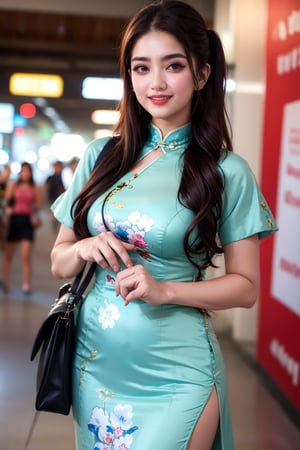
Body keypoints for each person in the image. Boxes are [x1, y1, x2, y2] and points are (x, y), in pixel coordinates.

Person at [50, 2, 278, 449]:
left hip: (178, 371)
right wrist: (84, 248)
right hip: (95, 365)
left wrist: (166, 290)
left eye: (173, 66)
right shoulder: (101, 157)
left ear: (201, 75)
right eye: (141, 67)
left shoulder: (226, 171)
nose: (155, 83)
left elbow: (246, 287)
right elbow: (60, 259)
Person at [2, 162, 42, 295]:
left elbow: (38, 205)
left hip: (27, 221)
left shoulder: (34, 187)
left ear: (31, 173)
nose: (25, 173)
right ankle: (5, 282)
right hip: (14, 220)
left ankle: (26, 284)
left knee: (25, 256)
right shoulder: (14, 185)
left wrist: (35, 215)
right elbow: (7, 200)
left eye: (27, 171)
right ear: (20, 173)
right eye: (23, 171)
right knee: (9, 255)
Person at [44, 160, 65, 231]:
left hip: (62, 199)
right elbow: (46, 187)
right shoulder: (50, 178)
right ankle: (55, 226)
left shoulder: (64, 177)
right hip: (52, 198)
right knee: (53, 214)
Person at [0, 164, 11, 248]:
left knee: (4, 224)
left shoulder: (9, 182)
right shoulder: (3, 179)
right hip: (2, 204)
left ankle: (4, 240)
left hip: (4, 204)